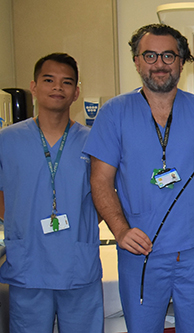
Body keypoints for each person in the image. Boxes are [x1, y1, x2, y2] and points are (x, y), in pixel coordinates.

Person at [84, 24, 194, 333]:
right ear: (137, 61)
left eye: (169, 55)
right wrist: (120, 230)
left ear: (182, 62)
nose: (159, 63)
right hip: (140, 251)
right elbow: (100, 181)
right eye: (150, 55)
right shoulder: (114, 113)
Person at [0, 53, 103, 332]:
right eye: (49, 80)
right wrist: (19, 224)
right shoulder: (6, 140)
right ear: (34, 87)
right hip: (28, 264)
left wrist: (82, 228)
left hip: (77, 265)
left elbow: (106, 195)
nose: (57, 87)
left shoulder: (93, 141)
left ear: (76, 93)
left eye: (66, 82)